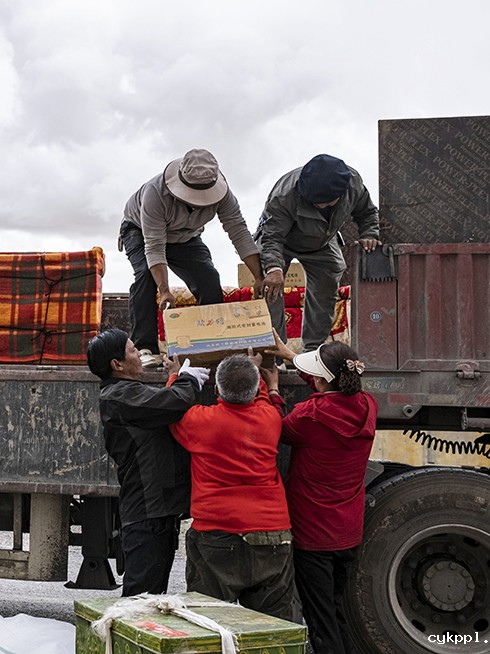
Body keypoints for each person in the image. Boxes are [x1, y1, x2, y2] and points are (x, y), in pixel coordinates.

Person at [261, 334, 377, 654]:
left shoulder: (310, 415)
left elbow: (276, 429)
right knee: (336, 610)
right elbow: (330, 389)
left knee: (320, 622)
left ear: (322, 381)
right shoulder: (367, 405)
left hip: (313, 534)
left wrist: (273, 390)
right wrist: (289, 355)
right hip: (347, 531)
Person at [168, 352, 294, 620]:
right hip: (270, 532)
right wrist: (264, 380)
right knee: (272, 627)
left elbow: (171, 408)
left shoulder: (200, 421)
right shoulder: (270, 419)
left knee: (209, 624)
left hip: (216, 531)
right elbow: (264, 401)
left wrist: (174, 377)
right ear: (254, 390)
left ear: (216, 390)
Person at [86, 328, 209, 596]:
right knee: (141, 600)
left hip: (155, 511)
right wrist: (187, 380)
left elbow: (161, 403)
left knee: (151, 596)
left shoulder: (127, 392)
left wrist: (177, 377)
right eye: (133, 351)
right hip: (147, 512)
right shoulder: (119, 396)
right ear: (117, 364)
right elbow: (173, 401)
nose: (139, 356)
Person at [120, 149, 264, 368]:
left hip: (186, 237)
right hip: (140, 231)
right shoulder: (155, 193)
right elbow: (154, 246)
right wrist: (165, 290)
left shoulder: (224, 194)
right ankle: (144, 347)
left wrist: (259, 276)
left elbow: (239, 232)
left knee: (208, 277)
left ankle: (210, 342)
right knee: (145, 276)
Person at [255, 154, 381, 352]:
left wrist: (369, 234)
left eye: (320, 202)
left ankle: (313, 350)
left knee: (328, 280)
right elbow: (271, 237)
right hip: (281, 242)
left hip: (321, 241)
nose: (315, 204)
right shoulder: (284, 195)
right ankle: (275, 351)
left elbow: (367, 212)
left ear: (339, 195)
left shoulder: (353, 184)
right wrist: (273, 268)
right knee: (270, 287)